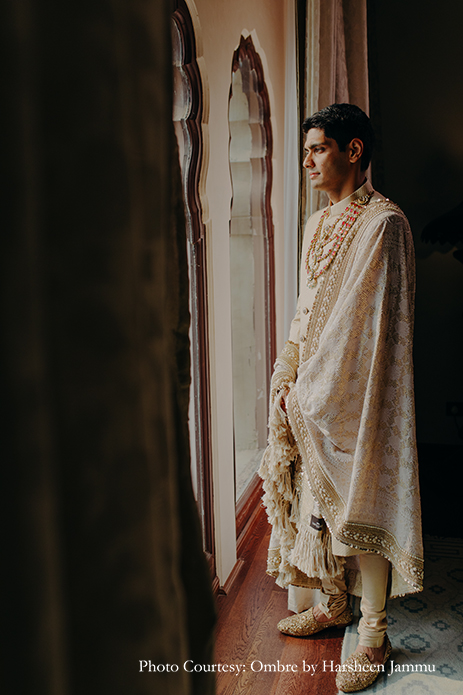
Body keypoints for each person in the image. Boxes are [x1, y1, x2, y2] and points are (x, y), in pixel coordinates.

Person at [259, 103, 423, 693]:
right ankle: (333, 603)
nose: (307, 161)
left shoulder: (385, 223)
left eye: (318, 148)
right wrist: (287, 373)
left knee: (361, 504)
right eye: (305, 151)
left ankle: (374, 633)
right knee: (312, 496)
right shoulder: (318, 224)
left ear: (354, 151)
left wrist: (315, 390)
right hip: (313, 382)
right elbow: (309, 312)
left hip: (360, 389)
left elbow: (364, 325)